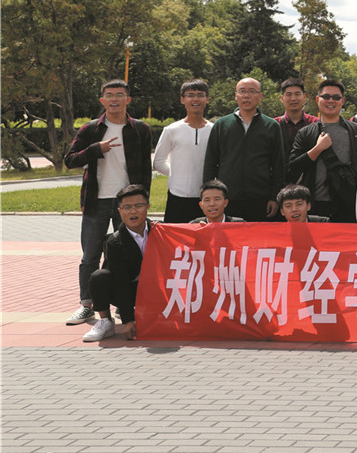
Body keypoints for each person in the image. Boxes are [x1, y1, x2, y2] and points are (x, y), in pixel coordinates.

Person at [66, 79, 156, 328]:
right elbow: (70, 160)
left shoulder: (140, 129)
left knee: (129, 254)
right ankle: (86, 304)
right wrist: (95, 149)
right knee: (90, 255)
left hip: (127, 204)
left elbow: (145, 170)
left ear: (128, 99)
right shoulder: (90, 129)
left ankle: (123, 306)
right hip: (96, 201)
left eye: (119, 94)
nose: (114, 99)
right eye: (109, 95)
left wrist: (142, 201)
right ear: (102, 100)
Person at [202, 77, 286, 223]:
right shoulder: (221, 125)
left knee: (257, 242)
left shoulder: (271, 126)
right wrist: (208, 197)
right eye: (242, 91)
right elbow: (210, 163)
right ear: (236, 96)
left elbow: (279, 165)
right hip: (228, 199)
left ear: (260, 96)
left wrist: (274, 197)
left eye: (252, 91)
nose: (246, 96)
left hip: (260, 199)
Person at [81, 185, 153, 343]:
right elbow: (121, 282)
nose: (133, 212)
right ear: (120, 211)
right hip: (126, 289)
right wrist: (128, 321)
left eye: (139, 206)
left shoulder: (159, 230)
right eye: (127, 207)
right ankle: (106, 322)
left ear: (147, 207)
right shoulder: (115, 241)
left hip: (153, 290)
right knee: (99, 277)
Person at [288, 78, 357, 222]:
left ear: (343, 101)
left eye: (336, 97)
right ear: (318, 99)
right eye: (326, 97)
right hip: (315, 203)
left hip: (347, 203)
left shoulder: (354, 130)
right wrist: (317, 149)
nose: (331, 101)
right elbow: (293, 167)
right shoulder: (305, 133)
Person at [153, 78, 213, 224]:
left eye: (200, 95)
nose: (195, 99)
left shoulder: (214, 129)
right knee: (176, 242)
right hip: (177, 196)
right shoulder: (171, 130)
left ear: (207, 99)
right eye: (190, 95)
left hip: (206, 198)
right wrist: (177, 175)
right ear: (182, 100)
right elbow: (158, 162)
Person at [276, 76, 320, 158]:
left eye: (297, 94)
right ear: (282, 98)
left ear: (304, 97)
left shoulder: (316, 123)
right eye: (288, 95)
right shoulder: (274, 125)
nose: (293, 98)